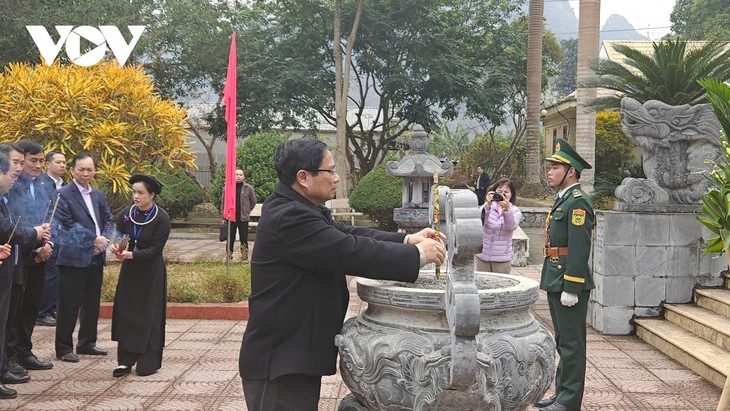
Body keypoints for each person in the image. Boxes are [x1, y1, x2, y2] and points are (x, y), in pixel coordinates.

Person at [239, 137, 446, 410]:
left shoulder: (300, 208)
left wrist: (408, 240)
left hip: (291, 355)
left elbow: (349, 233)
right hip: (279, 362)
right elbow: (349, 250)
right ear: (303, 177)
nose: (336, 178)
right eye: (330, 170)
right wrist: (419, 256)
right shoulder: (290, 217)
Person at [534, 138, 595, 411]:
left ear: (570, 171)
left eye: (555, 167)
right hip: (556, 278)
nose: (550, 171)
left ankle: (569, 402)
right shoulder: (564, 200)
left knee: (572, 345)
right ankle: (561, 395)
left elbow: (580, 249)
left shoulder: (578, 203)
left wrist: (572, 285)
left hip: (569, 281)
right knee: (563, 342)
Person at [53, 152, 114, 363]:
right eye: (81, 169)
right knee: (69, 305)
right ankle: (63, 347)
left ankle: (87, 342)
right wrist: (93, 239)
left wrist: (104, 238)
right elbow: (67, 224)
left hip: (96, 257)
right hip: (72, 258)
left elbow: (108, 219)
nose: (86, 173)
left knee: (91, 303)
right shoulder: (64, 195)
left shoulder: (98, 195)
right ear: (72, 171)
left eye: (90, 169)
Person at [110, 174, 170, 377]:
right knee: (127, 312)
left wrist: (132, 254)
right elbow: (118, 235)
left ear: (151, 195)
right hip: (130, 270)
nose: (135, 196)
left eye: (140, 193)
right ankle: (125, 360)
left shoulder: (161, 218)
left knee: (149, 314)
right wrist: (116, 248)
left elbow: (156, 249)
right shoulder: (127, 214)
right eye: (134, 192)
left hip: (151, 271)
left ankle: (148, 360)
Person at [0, 151, 48, 399]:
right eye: (11, 168)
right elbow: (9, 229)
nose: (14, 174)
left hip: (13, 266)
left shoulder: (8, 197)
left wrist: (41, 239)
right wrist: (35, 233)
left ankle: (5, 365)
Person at [37, 150, 67, 327]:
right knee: (50, 274)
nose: (62, 165)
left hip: (64, 235)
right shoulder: (42, 184)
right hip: (47, 234)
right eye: (58, 162)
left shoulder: (65, 184)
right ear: (48, 164)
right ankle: (43, 311)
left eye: (64, 162)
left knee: (59, 274)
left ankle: (53, 308)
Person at [474, 178, 522, 274]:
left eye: (506, 192)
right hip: (482, 256)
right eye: (499, 192)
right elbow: (480, 223)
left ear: (511, 195)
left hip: (502, 259)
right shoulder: (487, 207)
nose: (502, 195)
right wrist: (487, 205)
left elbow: (511, 226)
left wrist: (507, 210)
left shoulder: (515, 211)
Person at [221, 169, 256, 262]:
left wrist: (247, 211)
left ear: (244, 177)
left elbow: (253, 201)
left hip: (243, 218)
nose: (238, 176)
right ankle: (229, 256)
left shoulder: (248, 188)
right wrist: (223, 216)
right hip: (231, 217)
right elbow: (223, 202)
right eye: (236, 174)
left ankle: (244, 256)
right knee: (230, 238)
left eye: (240, 174)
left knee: (243, 238)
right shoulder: (227, 187)